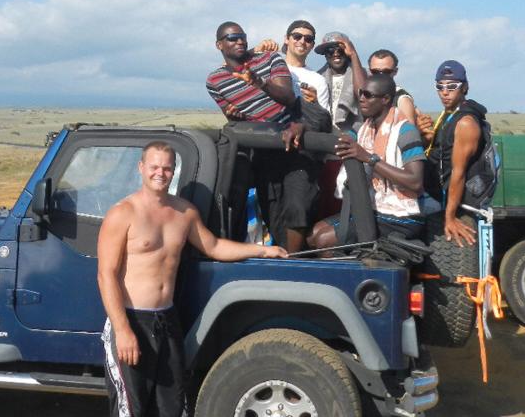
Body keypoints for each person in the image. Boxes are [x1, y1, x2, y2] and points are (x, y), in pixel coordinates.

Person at [97, 141, 288, 417]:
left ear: (174, 170)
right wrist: (123, 330)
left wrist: (263, 250)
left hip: (167, 320)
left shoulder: (184, 213)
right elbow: (106, 276)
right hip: (131, 320)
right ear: (141, 168)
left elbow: (214, 247)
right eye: (154, 167)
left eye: (166, 167)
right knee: (131, 409)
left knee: (172, 406)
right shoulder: (122, 213)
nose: (160, 173)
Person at [205, 21, 320, 252]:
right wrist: (235, 117)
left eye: (242, 36)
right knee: (274, 212)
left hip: (294, 137)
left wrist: (260, 83)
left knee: (297, 206)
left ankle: (294, 262)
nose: (239, 41)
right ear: (219, 45)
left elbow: (288, 98)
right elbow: (236, 121)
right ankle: (286, 255)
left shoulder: (269, 59)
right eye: (232, 38)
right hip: (263, 147)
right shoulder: (215, 81)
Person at [308, 74, 426, 249]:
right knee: (313, 235)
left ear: (386, 99)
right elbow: (341, 140)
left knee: (324, 240)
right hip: (372, 207)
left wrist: (369, 159)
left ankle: (356, 273)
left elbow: (415, 182)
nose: (361, 99)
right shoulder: (363, 128)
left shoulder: (406, 131)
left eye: (368, 95)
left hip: (401, 216)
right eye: (361, 93)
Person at [417, 60, 487, 248]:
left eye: (452, 86)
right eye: (440, 86)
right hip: (431, 189)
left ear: (465, 87)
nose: (445, 92)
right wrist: (424, 136)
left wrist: (449, 217)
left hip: (439, 198)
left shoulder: (465, 122)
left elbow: (458, 172)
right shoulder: (448, 114)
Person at [315, 31, 367, 132]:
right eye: (330, 51)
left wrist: (353, 55)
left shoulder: (363, 74)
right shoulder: (317, 78)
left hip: (354, 135)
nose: (336, 54)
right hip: (325, 134)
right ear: (325, 54)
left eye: (340, 50)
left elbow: (362, 94)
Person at [282, 20, 331, 114]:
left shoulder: (318, 80)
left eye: (308, 39)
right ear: (286, 39)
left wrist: (315, 103)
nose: (302, 41)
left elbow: (325, 120)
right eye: (297, 36)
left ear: (312, 45)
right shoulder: (272, 66)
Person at [368, 49, 417, 125]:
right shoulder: (365, 96)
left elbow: (409, 133)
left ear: (395, 71)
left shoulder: (402, 100)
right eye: (375, 72)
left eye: (386, 72)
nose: (381, 75)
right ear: (370, 71)